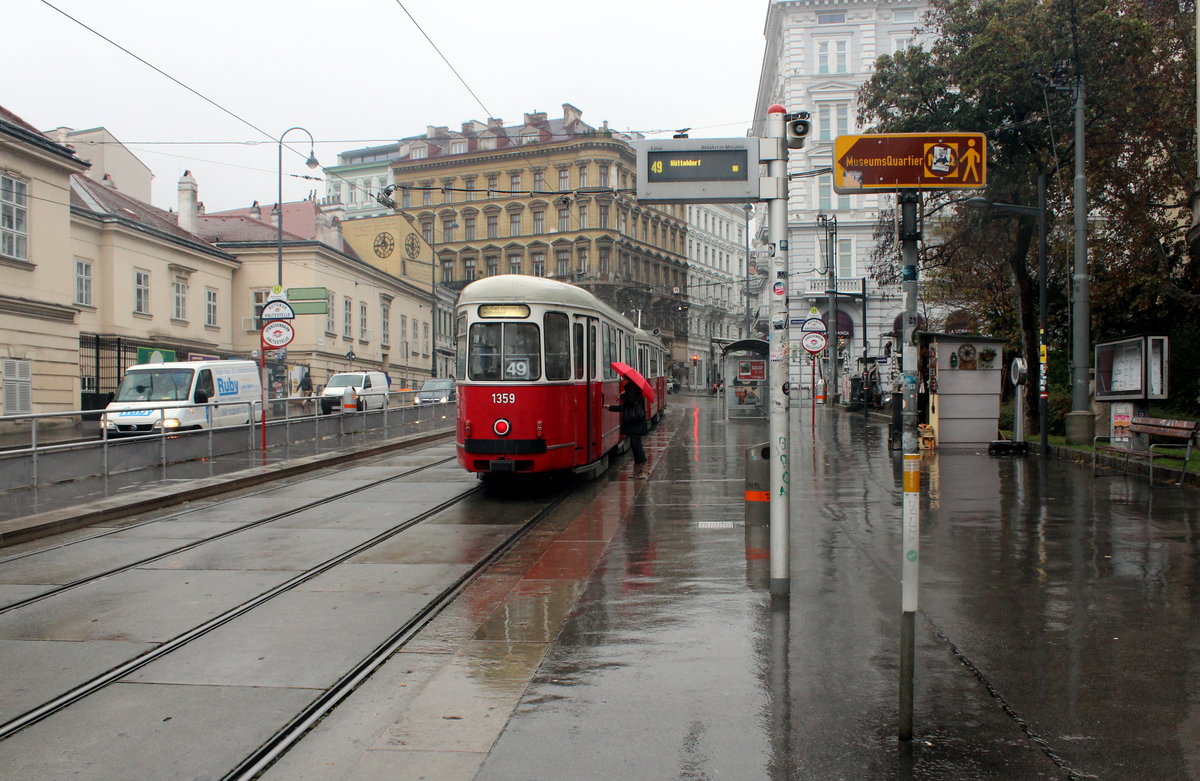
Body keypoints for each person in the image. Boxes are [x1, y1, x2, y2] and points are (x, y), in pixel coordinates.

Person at [609, 380, 649, 477]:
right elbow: (625, 407)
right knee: (634, 445)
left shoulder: (633, 389)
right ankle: (637, 470)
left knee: (637, 445)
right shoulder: (632, 390)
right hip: (634, 423)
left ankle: (644, 470)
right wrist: (610, 407)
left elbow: (629, 401)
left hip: (636, 423)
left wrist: (622, 395)